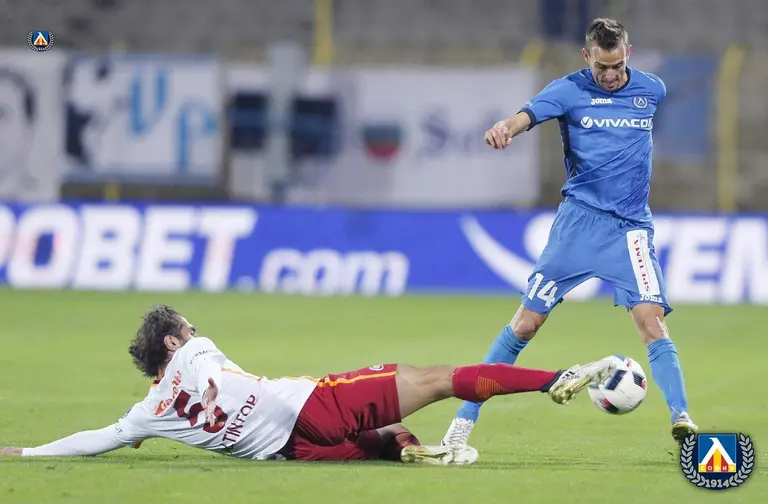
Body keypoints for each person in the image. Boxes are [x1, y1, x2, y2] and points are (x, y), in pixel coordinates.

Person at [442, 17, 698, 450]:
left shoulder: (651, 90)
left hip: (630, 230)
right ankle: (462, 422)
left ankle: (681, 417)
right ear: (586, 57)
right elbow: (527, 115)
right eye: (602, 67)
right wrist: (506, 127)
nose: (611, 75)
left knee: (652, 322)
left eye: (617, 66)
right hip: (577, 226)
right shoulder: (568, 90)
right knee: (525, 325)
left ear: (628, 54)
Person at [2, 305, 616, 464]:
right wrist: (209, 381)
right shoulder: (194, 349)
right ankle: (552, 379)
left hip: (291, 451)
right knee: (439, 380)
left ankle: (406, 450)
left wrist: (25, 452)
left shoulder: (148, 411)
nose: (195, 330)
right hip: (305, 406)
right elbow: (207, 369)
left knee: (387, 432)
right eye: (187, 327)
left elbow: (94, 439)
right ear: (172, 341)